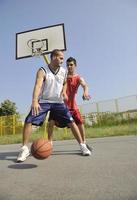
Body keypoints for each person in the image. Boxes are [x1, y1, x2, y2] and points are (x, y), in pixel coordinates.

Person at [17, 50, 91, 162]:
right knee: (29, 120)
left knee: (71, 122)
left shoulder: (63, 71)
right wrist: (34, 101)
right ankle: (24, 149)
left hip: (58, 102)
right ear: (53, 57)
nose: (62, 61)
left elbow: (65, 82)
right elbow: (37, 86)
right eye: (61, 58)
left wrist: (64, 91)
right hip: (44, 101)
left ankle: (82, 145)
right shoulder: (42, 70)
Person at [48, 57, 92, 151]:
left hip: (72, 106)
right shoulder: (62, 75)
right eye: (67, 65)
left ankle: (83, 143)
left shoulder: (78, 78)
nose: (69, 66)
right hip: (59, 104)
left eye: (71, 64)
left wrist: (85, 92)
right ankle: (49, 144)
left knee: (80, 123)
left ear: (75, 65)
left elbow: (85, 85)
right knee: (51, 122)